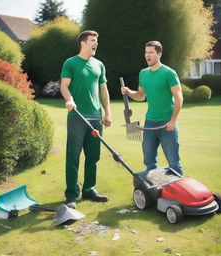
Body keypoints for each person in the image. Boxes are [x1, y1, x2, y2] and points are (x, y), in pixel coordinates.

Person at [60, 30, 112, 209]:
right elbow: (64, 86)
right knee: (73, 156)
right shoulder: (71, 63)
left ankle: (89, 190)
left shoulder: (99, 65)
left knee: (93, 156)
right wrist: (70, 100)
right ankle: (71, 194)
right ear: (83, 43)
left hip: (95, 117)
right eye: (92, 40)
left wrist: (108, 113)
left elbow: (104, 90)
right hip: (77, 116)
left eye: (97, 40)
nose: (96, 43)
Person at [121, 41, 183, 175]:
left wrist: (173, 120)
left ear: (159, 54)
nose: (147, 55)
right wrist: (129, 92)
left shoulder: (169, 73)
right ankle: (154, 192)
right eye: (146, 52)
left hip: (167, 123)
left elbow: (178, 97)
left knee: (174, 164)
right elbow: (141, 96)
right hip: (149, 123)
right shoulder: (143, 73)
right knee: (149, 162)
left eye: (151, 52)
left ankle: (178, 193)